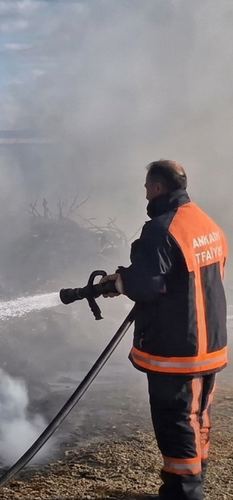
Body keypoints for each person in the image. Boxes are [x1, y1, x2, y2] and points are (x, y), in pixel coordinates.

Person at [101, 160, 227, 500]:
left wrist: (122, 280)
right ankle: (190, 482)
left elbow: (146, 285)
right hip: (209, 344)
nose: (144, 193)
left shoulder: (161, 228)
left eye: (146, 187)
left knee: (176, 422)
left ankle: (185, 493)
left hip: (178, 350)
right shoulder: (205, 223)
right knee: (197, 417)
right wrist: (129, 280)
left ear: (158, 188)